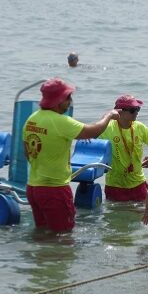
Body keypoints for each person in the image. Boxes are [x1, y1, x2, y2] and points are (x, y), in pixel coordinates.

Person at [23, 78, 120, 233]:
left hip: (34, 188)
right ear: (58, 100)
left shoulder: (32, 119)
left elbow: (27, 153)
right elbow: (94, 131)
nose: (70, 101)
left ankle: (41, 257)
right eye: (67, 97)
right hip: (55, 190)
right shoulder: (61, 121)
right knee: (63, 237)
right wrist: (109, 115)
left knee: (42, 233)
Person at [99, 94, 148, 202]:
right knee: (116, 217)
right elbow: (89, 137)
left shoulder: (139, 127)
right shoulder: (107, 128)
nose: (136, 112)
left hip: (138, 183)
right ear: (119, 112)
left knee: (140, 216)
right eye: (133, 110)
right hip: (115, 185)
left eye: (138, 109)